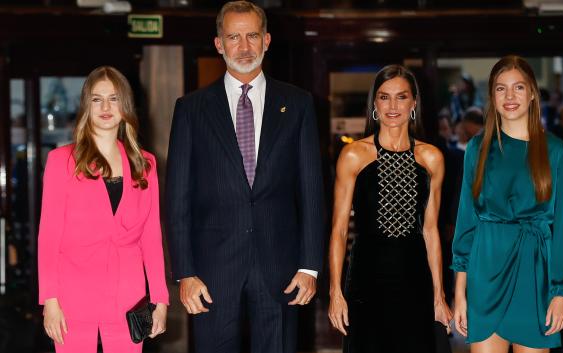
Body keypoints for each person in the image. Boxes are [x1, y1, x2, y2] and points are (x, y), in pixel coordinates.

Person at [165, 2, 325, 353]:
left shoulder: (297, 104)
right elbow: (177, 198)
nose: (244, 46)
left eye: (252, 35)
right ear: (219, 44)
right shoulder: (191, 109)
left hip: (281, 266)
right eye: (233, 37)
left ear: (267, 40)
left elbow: (312, 190)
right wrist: (185, 272)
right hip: (212, 269)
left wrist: (310, 266)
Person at [38, 66, 168, 353]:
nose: (106, 107)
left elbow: (151, 238)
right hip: (72, 298)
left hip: (128, 300)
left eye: (114, 98)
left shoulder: (144, 164)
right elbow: (49, 237)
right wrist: (50, 300)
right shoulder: (62, 161)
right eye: (97, 99)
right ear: (86, 106)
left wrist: (160, 300)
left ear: (125, 106)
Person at [452, 55, 563, 353]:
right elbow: (466, 222)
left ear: (532, 92)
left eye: (519, 87)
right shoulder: (478, 147)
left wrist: (561, 293)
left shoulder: (556, 151)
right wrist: (459, 293)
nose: (510, 96)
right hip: (485, 271)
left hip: (534, 276)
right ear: (491, 96)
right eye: (500, 88)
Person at [327, 64, 452, 353]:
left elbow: (431, 231)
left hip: (414, 280)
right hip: (365, 281)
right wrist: (336, 292)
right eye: (384, 97)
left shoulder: (431, 158)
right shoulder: (354, 155)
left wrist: (439, 296)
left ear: (414, 103)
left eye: (401, 97)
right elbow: (339, 229)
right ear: (374, 103)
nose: (392, 106)